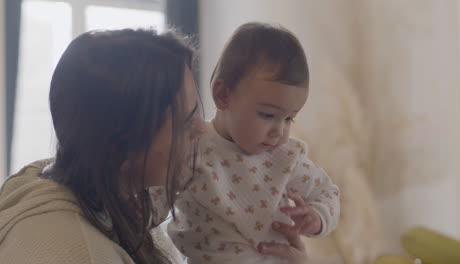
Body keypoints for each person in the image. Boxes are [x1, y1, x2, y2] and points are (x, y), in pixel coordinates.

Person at [0, 28, 308, 264]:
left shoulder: (85, 187)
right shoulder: (77, 253)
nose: (202, 130)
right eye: (186, 121)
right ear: (124, 144)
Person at [167, 22, 341, 264]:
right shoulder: (193, 146)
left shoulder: (285, 157)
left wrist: (317, 216)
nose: (279, 132)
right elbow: (155, 193)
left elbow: (327, 192)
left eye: (289, 118)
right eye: (268, 115)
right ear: (223, 95)